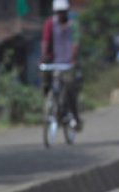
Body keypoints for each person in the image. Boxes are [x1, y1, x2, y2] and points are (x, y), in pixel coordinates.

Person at [40, 0, 82, 131]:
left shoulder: (73, 24)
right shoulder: (49, 23)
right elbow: (45, 41)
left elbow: (76, 42)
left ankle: (75, 118)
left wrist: (73, 59)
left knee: (70, 88)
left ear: (67, 12)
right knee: (46, 81)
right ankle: (49, 102)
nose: (61, 14)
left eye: (63, 12)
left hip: (68, 63)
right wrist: (44, 56)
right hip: (53, 61)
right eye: (58, 12)